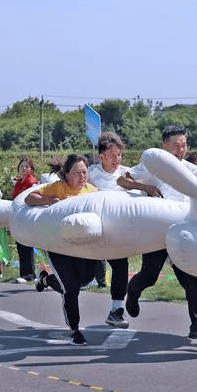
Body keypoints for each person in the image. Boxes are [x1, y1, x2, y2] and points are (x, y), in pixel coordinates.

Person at [118, 125, 197, 339]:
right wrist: (146, 188)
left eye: (184, 145)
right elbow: (122, 180)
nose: (181, 150)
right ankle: (133, 291)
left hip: (182, 232)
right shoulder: (152, 165)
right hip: (157, 232)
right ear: (165, 146)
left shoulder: (187, 168)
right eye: (176, 146)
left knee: (193, 276)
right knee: (150, 276)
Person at [27, 154, 98, 345]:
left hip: (83, 247)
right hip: (59, 246)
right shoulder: (58, 188)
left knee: (85, 280)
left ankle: (47, 279)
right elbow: (30, 198)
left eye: (85, 172)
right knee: (71, 288)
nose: (82, 176)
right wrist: (50, 200)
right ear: (66, 174)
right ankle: (75, 330)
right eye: (77, 173)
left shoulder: (92, 191)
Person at [87, 132, 133, 328]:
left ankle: (116, 310)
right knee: (82, 276)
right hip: (92, 233)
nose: (116, 159)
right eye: (112, 155)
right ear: (101, 156)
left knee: (121, 267)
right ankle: (47, 280)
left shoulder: (128, 173)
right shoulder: (90, 173)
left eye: (119, 155)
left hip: (116, 233)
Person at [11, 156, 38, 284]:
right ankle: (24, 273)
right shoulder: (18, 182)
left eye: (26, 166)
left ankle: (29, 274)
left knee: (27, 246)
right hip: (18, 218)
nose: (23, 168)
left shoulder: (32, 182)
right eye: (21, 166)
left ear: (31, 169)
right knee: (20, 246)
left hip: (27, 218)